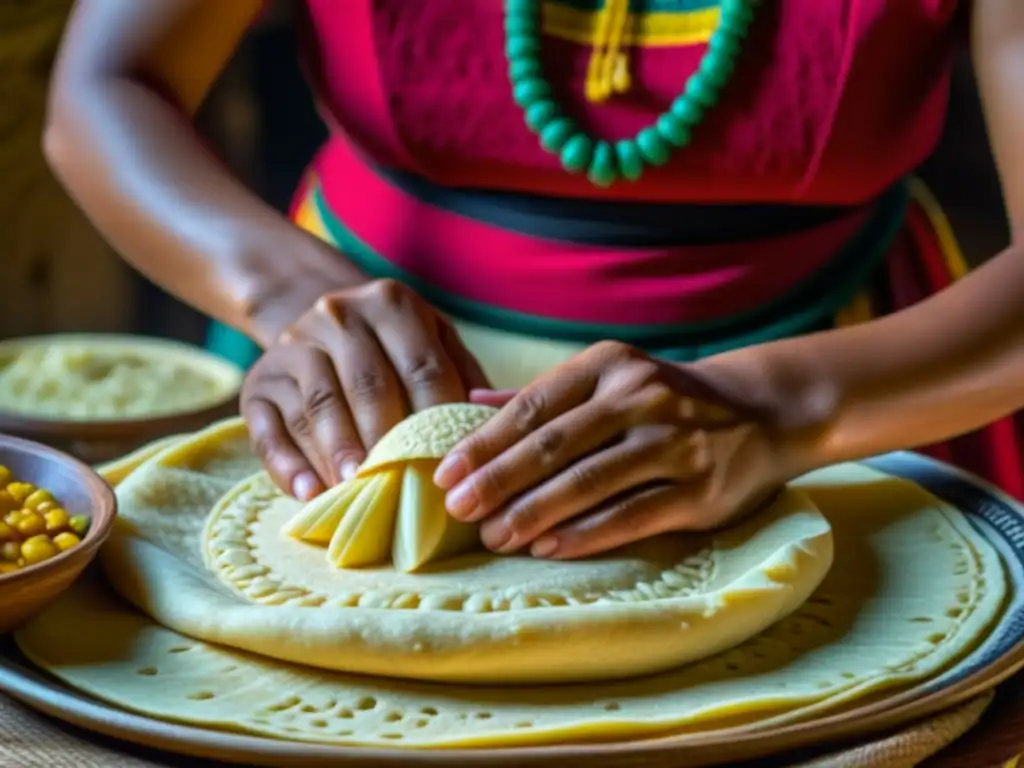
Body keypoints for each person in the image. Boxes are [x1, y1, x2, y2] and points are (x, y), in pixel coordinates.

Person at [46, 0, 1024, 560]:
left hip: (859, 396)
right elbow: (108, 84)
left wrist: (782, 407)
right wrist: (288, 293)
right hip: (349, 394)